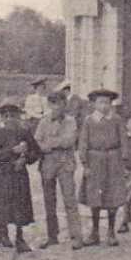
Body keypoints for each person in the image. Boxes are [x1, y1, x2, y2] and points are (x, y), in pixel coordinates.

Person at [0, 99, 41, 252]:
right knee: (1, 205)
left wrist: (24, 159)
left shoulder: (24, 132)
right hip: (2, 174)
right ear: (2, 117)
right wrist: (13, 151)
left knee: (19, 207)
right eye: (6, 115)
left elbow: (35, 152)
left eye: (13, 115)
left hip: (19, 174)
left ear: (18, 116)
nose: (9, 118)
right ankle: (1, 234)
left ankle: (19, 237)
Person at [79, 88, 128, 248]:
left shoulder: (117, 120)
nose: (104, 106)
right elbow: (83, 142)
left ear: (111, 104)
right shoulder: (88, 120)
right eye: (100, 102)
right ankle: (94, 232)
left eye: (107, 102)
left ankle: (111, 232)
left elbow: (123, 142)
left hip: (113, 160)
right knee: (95, 196)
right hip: (94, 160)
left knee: (112, 196)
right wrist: (85, 164)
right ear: (94, 104)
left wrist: (123, 163)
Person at [34, 92, 84, 248]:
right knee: (49, 201)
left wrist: (50, 143)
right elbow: (37, 141)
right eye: (53, 103)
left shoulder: (71, 121)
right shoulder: (43, 122)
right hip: (48, 164)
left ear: (65, 104)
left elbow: (69, 141)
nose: (57, 107)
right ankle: (52, 235)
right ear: (49, 105)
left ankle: (76, 236)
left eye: (60, 103)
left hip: (65, 163)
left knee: (69, 199)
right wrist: (49, 144)